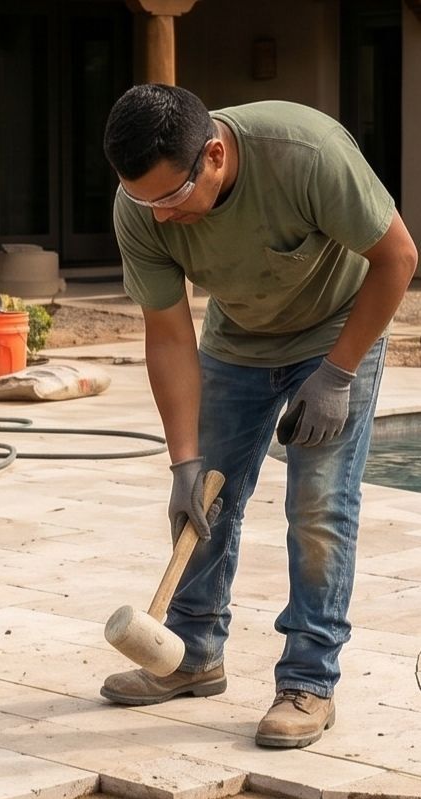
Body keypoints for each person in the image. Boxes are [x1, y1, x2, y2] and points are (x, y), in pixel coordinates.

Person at [99, 84, 417, 747]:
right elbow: (167, 334)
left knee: (318, 505)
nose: (157, 217)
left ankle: (308, 679)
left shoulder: (306, 154)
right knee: (205, 501)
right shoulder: (140, 208)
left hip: (335, 329)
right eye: (141, 200)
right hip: (237, 340)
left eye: (168, 199)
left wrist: (336, 372)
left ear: (212, 156)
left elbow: (397, 258)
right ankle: (190, 653)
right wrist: (183, 459)